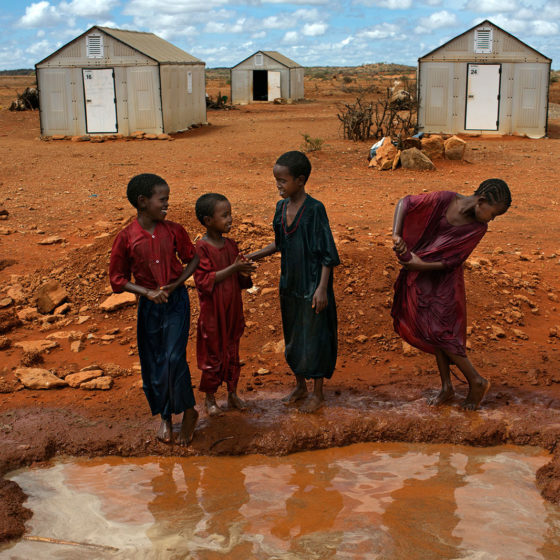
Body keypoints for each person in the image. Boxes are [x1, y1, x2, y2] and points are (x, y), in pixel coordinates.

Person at [391, 179, 512, 410]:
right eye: (493, 214)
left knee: (442, 333)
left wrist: (419, 265)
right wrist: (397, 235)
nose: (492, 220)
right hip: (423, 277)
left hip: (445, 282)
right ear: (482, 201)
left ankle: (476, 381)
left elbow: (453, 261)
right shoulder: (445, 200)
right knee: (432, 329)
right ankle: (447, 387)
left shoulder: (478, 228)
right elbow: (405, 203)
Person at [109, 173, 199, 445]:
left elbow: (192, 259)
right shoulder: (126, 238)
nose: (166, 205)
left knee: (173, 358)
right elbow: (117, 280)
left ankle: (189, 412)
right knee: (154, 363)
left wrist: (175, 285)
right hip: (149, 308)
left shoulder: (174, 230)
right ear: (142, 202)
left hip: (176, 303)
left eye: (167, 200)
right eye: (162, 200)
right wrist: (146, 292)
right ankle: (164, 417)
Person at [247, 151, 340, 413]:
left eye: (282, 180)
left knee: (316, 336)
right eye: (276, 180)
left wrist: (322, 289)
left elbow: (327, 254)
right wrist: (251, 255)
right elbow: (279, 243)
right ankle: (300, 385)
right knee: (294, 336)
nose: (278, 185)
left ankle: (318, 393)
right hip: (289, 284)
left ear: (300, 180)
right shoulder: (281, 207)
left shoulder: (315, 210)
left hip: (313, 286)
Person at [193, 193, 255, 416]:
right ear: (209, 220)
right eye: (225, 215)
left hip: (232, 309)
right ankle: (210, 399)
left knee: (232, 353)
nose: (230, 219)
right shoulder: (202, 248)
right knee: (213, 355)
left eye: (230, 214)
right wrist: (234, 268)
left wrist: (245, 271)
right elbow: (204, 280)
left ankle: (232, 394)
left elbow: (240, 280)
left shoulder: (230, 244)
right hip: (213, 313)